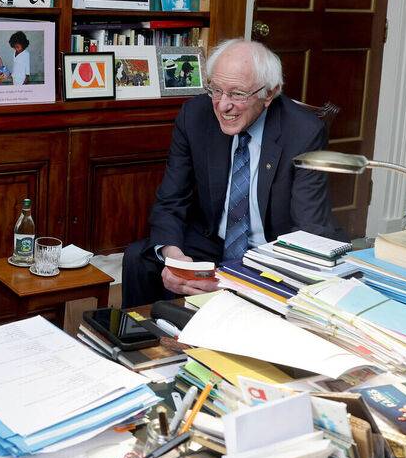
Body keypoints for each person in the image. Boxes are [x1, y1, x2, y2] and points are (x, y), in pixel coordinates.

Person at [121, 38, 347, 307]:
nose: (223, 105)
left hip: (273, 250)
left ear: (269, 94)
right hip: (215, 241)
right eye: (216, 90)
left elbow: (308, 229)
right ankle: (140, 341)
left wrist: (235, 279)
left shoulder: (304, 133)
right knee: (139, 257)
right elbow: (171, 200)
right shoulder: (195, 115)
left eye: (237, 94)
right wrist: (175, 258)